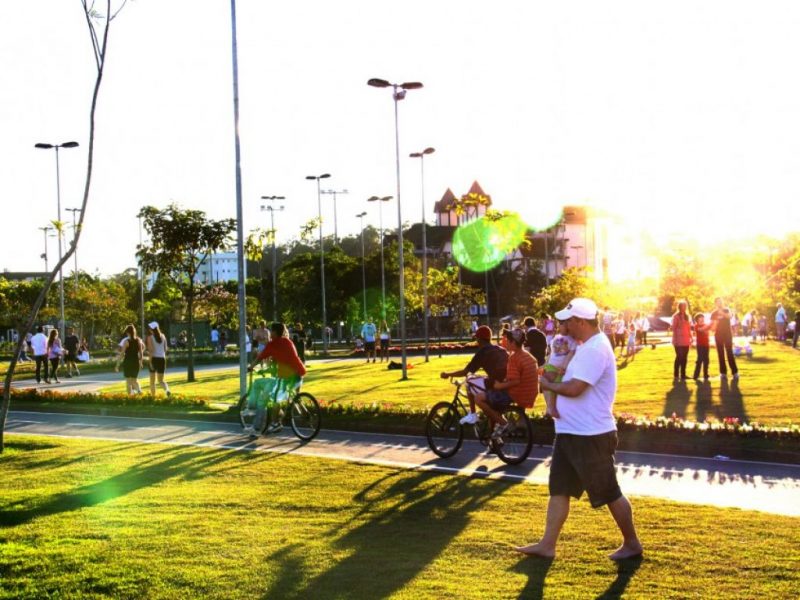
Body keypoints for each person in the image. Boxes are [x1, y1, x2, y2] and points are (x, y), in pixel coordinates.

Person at [516, 297, 643, 561]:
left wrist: (547, 385)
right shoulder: (585, 346)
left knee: (608, 492)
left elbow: (575, 388)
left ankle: (632, 544)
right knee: (559, 489)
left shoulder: (595, 349)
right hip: (570, 433)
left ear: (581, 322)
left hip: (591, 435)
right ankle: (547, 545)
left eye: (569, 321)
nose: (565, 326)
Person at [472, 327, 539, 440]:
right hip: (529, 394)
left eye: (507, 340)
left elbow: (515, 381)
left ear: (513, 343)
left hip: (516, 394)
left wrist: (499, 385)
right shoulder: (529, 357)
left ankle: (503, 423)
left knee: (479, 398)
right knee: (494, 393)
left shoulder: (514, 358)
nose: (505, 341)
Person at [246, 322, 308, 439]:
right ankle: (306, 414)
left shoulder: (272, 344)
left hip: (287, 377)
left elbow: (260, 357)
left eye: (271, 330)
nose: (270, 332)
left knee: (275, 399)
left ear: (275, 332)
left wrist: (251, 367)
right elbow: (284, 358)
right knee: (295, 396)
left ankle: (276, 424)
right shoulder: (287, 341)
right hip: (299, 373)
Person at [439, 325, 508, 426]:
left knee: (469, 381)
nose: (476, 341)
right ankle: (493, 437)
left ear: (480, 339)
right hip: (505, 383)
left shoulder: (483, 352)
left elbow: (465, 372)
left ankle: (473, 414)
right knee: (478, 380)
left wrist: (448, 374)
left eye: (477, 339)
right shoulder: (499, 349)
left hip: (494, 383)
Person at [541, 319, 576, 418]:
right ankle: (550, 408)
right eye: (559, 324)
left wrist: (564, 367)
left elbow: (570, 354)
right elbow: (551, 353)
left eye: (562, 324)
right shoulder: (556, 337)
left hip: (560, 369)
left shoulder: (572, 341)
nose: (559, 326)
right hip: (551, 366)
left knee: (555, 386)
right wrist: (546, 364)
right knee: (548, 384)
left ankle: (551, 408)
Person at [710, 297, 738, 380]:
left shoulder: (727, 310)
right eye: (718, 302)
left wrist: (721, 313)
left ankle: (735, 372)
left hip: (727, 335)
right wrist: (715, 323)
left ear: (723, 302)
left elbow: (729, 316)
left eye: (721, 301)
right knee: (720, 354)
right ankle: (723, 373)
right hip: (718, 335)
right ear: (715, 303)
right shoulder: (713, 313)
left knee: (729, 352)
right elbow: (712, 327)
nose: (720, 303)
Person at [116, 324, 144, 395]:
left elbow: (122, 354)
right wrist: (141, 363)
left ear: (128, 332)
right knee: (134, 380)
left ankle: (130, 396)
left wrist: (117, 365)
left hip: (128, 362)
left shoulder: (126, 342)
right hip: (136, 362)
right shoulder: (139, 341)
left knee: (128, 381)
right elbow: (141, 353)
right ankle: (139, 390)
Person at [145, 321, 171, 397]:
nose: (149, 330)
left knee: (152, 381)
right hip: (162, 359)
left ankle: (153, 397)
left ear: (152, 329)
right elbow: (165, 349)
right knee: (161, 381)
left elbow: (151, 351)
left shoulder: (150, 338)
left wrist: (150, 362)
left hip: (154, 359)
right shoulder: (163, 336)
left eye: (150, 328)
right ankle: (167, 390)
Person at [671, 300, 693, 382]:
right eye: (682, 306)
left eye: (685, 306)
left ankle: (683, 374)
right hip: (678, 340)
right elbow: (673, 328)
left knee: (685, 357)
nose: (684, 308)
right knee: (679, 357)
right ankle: (676, 375)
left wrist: (691, 337)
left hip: (686, 340)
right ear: (679, 307)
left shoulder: (687, 316)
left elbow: (688, 327)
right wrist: (675, 340)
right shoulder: (676, 316)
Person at [692, 312, 711, 381]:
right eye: (700, 318)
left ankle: (706, 374)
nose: (702, 319)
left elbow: (707, 331)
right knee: (700, 360)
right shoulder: (696, 326)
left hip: (706, 345)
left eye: (703, 318)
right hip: (700, 346)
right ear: (697, 320)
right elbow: (701, 330)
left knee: (706, 360)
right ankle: (696, 375)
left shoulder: (706, 325)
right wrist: (709, 325)